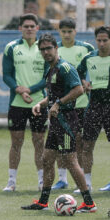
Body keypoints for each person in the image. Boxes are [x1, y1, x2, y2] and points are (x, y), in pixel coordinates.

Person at [21, 33, 96, 213]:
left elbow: (79, 89)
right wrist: (42, 103)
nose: (46, 52)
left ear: (56, 48)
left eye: (48, 48)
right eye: (42, 50)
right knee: (47, 159)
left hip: (66, 121)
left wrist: (58, 104)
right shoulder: (51, 69)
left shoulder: (65, 67)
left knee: (70, 161)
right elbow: (55, 95)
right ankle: (43, 202)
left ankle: (89, 203)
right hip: (56, 122)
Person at [2, 13, 46, 192]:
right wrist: (19, 89)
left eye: (32, 26)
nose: (29, 29)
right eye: (25, 26)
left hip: (38, 103)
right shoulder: (11, 47)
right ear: (20, 28)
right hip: (17, 103)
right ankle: (11, 182)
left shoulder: (45, 47)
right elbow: (6, 75)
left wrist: (30, 90)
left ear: (38, 28)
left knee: (39, 142)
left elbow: (47, 77)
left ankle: (43, 181)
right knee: (16, 143)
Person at [51, 18, 94, 191]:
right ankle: (62, 179)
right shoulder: (55, 50)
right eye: (64, 31)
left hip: (82, 104)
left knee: (81, 142)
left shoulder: (86, 49)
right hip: (63, 105)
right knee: (63, 142)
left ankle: (82, 179)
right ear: (59, 32)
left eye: (70, 31)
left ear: (75, 31)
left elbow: (90, 69)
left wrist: (87, 82)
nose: (67, 34)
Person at [77, 26, 110, 192]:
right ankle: (86, 183)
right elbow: (78, 73)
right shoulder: (89, 58)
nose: (102, 43)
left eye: (105, 40)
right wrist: (84, 82)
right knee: (87, 145)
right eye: (99, 40)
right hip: (95, 105)